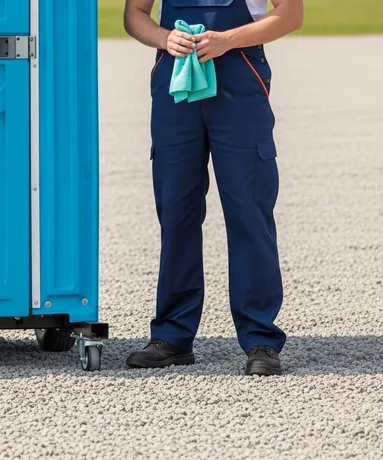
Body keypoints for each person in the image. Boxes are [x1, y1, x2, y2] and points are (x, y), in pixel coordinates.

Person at [122, 0, 303, 376]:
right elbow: (134, 15)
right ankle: (172, 336)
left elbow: (291, 14)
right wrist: (164, 37)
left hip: (240, 82)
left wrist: (227, 40)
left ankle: (261, 339)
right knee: (176, 211)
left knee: (248, 211)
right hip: (176, 86)